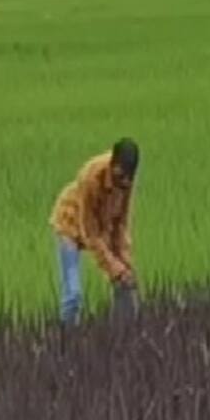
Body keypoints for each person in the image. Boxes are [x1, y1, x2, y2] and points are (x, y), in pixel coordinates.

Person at [51, 139, 139, 324]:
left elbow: (121, 224)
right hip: (71, 222)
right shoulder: (91, 176)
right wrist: (113, 268)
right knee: (73, 294)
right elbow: (90, 233)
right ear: (113, 164)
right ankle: (67, 338)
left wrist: (124, 264)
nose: (125, 182)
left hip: (102, 225)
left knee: (124, 279)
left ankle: (124, 330)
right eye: (121, 176)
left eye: (129, 178)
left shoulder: (127, 180)